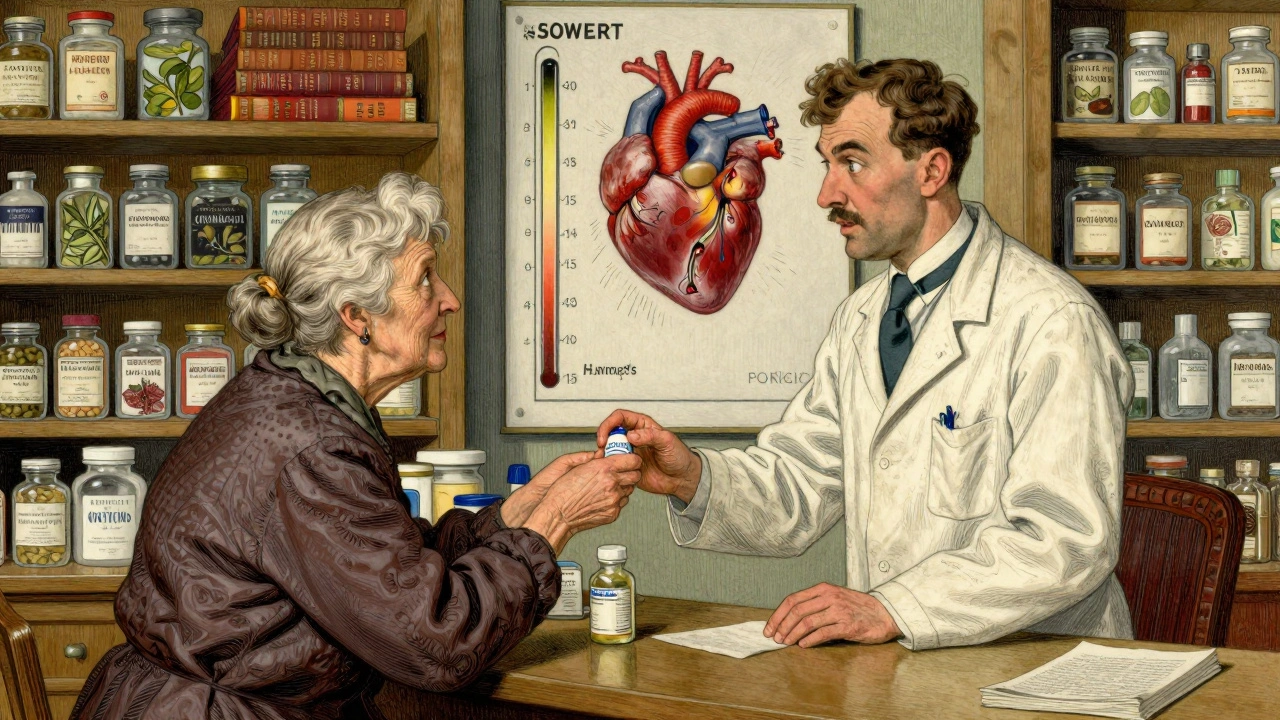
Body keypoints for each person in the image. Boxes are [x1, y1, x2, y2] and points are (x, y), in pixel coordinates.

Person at [596, 58, 1134, 651]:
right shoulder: (861, 317)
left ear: (932, 171)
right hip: (898, 670)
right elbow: (801, 482)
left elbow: (1064, 541)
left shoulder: (1053, 320)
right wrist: (692, 477)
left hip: (1035, 671)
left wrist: (892, 607)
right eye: (828, 165)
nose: (827, 194)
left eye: (852, 163)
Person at [73, 173, 641, 719]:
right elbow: (438, 643)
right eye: (425, 279)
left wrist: (516, 516)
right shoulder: (312, 445)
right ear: (357, 316)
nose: (449, 300)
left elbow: (382, 567)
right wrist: (554, 522)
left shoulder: (289, 397)